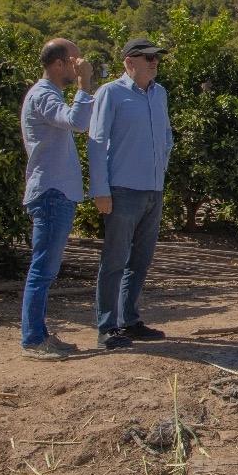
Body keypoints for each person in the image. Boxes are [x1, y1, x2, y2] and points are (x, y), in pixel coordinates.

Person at [89, 36, 173, 350]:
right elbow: (96, 142)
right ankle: (107, 327)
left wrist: (160, 166)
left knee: (141, 260)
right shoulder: (110, 93)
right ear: (129, 62)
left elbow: (166, 135)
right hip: (122, 190)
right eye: (147, 57)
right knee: (114, 261)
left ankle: (129, 320)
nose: (154, 62)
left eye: (156, 58)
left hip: (153, 190)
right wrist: (100, 190)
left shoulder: (160, 93)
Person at [18, 39, 95, 360]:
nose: (79, 63)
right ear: (59, 63)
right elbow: (77, 122)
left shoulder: (47, 95)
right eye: (74, 58)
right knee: (42, 269)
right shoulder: (43, 95)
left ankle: (40, 335)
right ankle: (33, 340)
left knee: (46, 269)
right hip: (51, 193)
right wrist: (85, 83)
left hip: (54, 191)